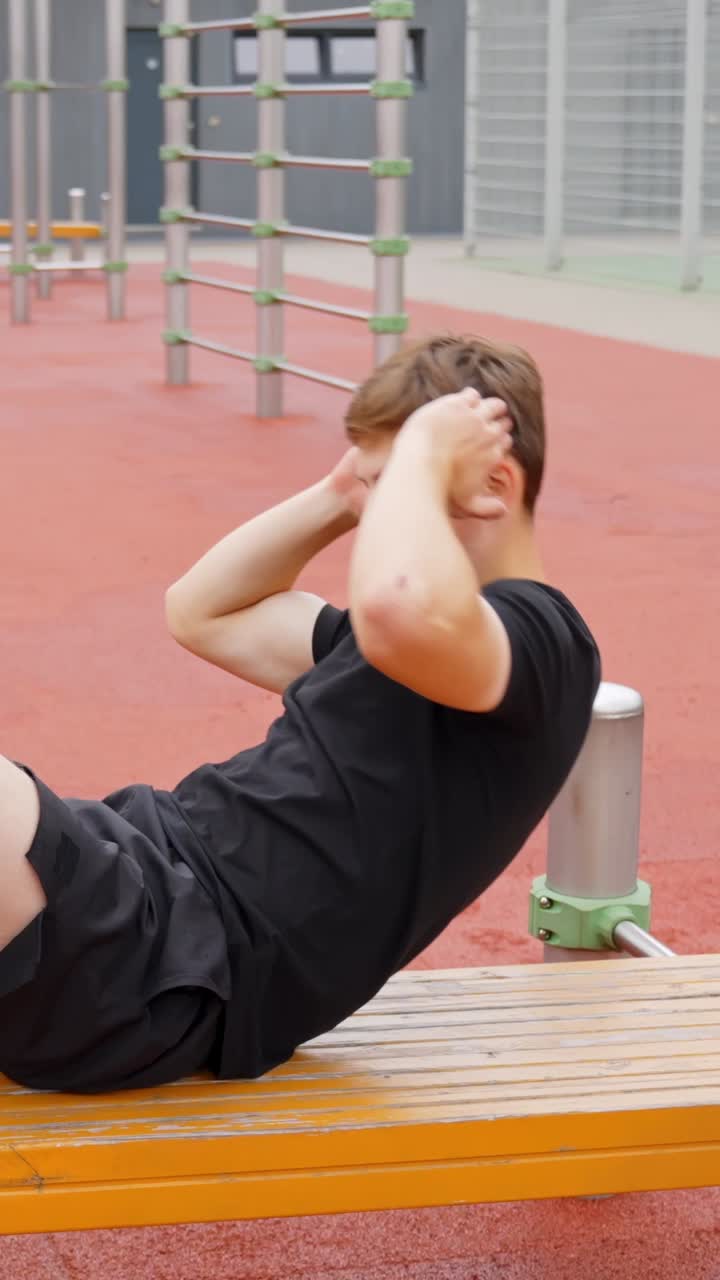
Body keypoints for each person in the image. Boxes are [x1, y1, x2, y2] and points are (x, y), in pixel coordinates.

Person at [0, 335, 601, 1094]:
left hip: (177, 966)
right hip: (132, 872)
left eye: (398, 484)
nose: (381, 507)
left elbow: (398, 604)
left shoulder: (541, 643)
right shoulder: (396, 647)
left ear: (493, 486)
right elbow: (201, 611)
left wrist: (417, 460)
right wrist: (341, 496)